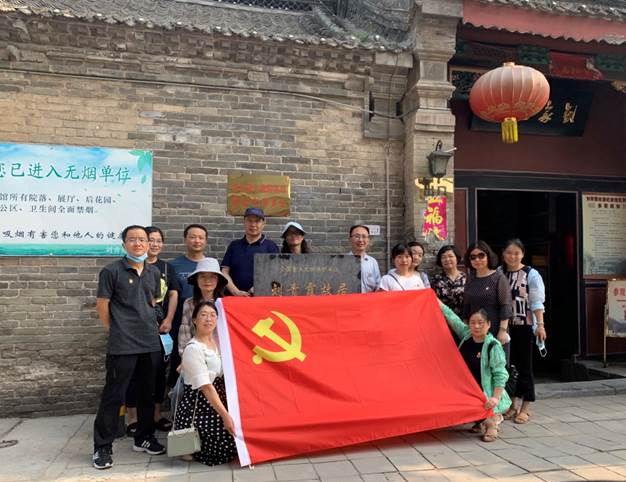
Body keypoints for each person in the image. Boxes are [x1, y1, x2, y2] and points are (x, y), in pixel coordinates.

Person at [92, 225, 165, 470]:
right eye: (132, 239)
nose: (138, 244)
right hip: (122, 344)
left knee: (147, 394)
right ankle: (102, 447)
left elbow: (152, 302)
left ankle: (144, 437)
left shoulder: (154, 272)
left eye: (142, 239)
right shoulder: (111, 271)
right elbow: (102, 305)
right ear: (124, 244)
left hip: (149, 342)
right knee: (114, 396)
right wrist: (114, 330)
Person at [125, 226, 180, 435]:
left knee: (158, 373)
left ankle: (156, 415)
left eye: (158, 240)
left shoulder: (166, 268)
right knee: (132, 373)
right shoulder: (129, 267)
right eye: (151, 240)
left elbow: (173, 294)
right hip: (133, 330)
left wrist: (169, 319)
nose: (155, 244)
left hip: (160, 328)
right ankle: (133, 418)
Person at [175, 301, 237, 465]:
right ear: (194, 320)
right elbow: (207, 387)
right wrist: (226, 416)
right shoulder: (193, 348)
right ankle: (187, 447)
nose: (208, 319)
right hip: (200, 406)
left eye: (212, 315)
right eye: (203, 315)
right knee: (230, 448)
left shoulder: (218, 343)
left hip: (218, 401)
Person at [439, 303, 512, 442]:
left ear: (488, 324)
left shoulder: (493, 346)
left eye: (480, 322)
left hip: (486, 392)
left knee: (482, 407)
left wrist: (495, 398)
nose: (476, 326)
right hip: (467, 389)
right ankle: (480, 420)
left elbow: (500, 375)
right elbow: (451, 316)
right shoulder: (466, 335)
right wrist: (433, 297)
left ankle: (492, 423)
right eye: (473, 323)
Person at [500, 239, 547, 425]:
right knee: (508, 367)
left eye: (516, 253)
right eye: (509, 253)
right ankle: (512, 404)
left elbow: (537, 302)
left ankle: (525, 407)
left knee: (525, 367)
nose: (512, 257)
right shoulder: (499, 272)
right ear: (503, 254)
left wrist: (540, 324)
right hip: (505, 326)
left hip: (524, 326)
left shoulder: (531, 274)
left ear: (522, 254)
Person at [168, 224, 209, 388]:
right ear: (185, 239)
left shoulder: (211, 264)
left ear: (206, 241)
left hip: (206, 318)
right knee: (178, 357)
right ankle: (177, 396)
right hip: (181, 316)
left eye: (201, 237)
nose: (197, 241)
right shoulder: (174, 265)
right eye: (192, 237)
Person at [462, 241, 512, 345]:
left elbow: (505, 306)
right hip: (475, 331)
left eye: (481, 256)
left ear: (488, 256)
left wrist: (502, 330)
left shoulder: (498, 278)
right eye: (473, 257)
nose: (477, 260)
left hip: (495, 330)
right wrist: (466, 329)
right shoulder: (470, 279)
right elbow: (467, 306)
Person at [221, 207, 279, 296]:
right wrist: (236, 292)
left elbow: (276, 273)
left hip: (261, 297)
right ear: (244, 222)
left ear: (263, 223)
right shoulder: (234, 245)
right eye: (249, 221)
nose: (253, 224)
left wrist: (258, 287)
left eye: (257, 221)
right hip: (234, 298)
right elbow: (224, 271)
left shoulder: (271, 246)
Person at [178, 257, 228, 356]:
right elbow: (185, 330)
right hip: (196, 354)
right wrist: (185, 355)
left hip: (221, 355)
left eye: (212, 277)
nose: (207, 281)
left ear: (218, 280)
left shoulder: (225, 304)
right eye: (203, 276)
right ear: (197, 279)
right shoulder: (189, 303)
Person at [431, 245, 466, 317]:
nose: (447, 259)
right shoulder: (436, 280)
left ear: (457, 258)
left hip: (464, 319)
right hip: (443, 319)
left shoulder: (466, 278)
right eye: (444, 257)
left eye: (450, 256)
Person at [348, 224, 380, 293]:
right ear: (350, 239)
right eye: (357, 236)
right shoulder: (341, 262)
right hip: (349, 299)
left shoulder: (373, 262)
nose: (360, 240)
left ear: (368, 240)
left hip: (369, 299)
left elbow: (377, 285)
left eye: (364, 236)